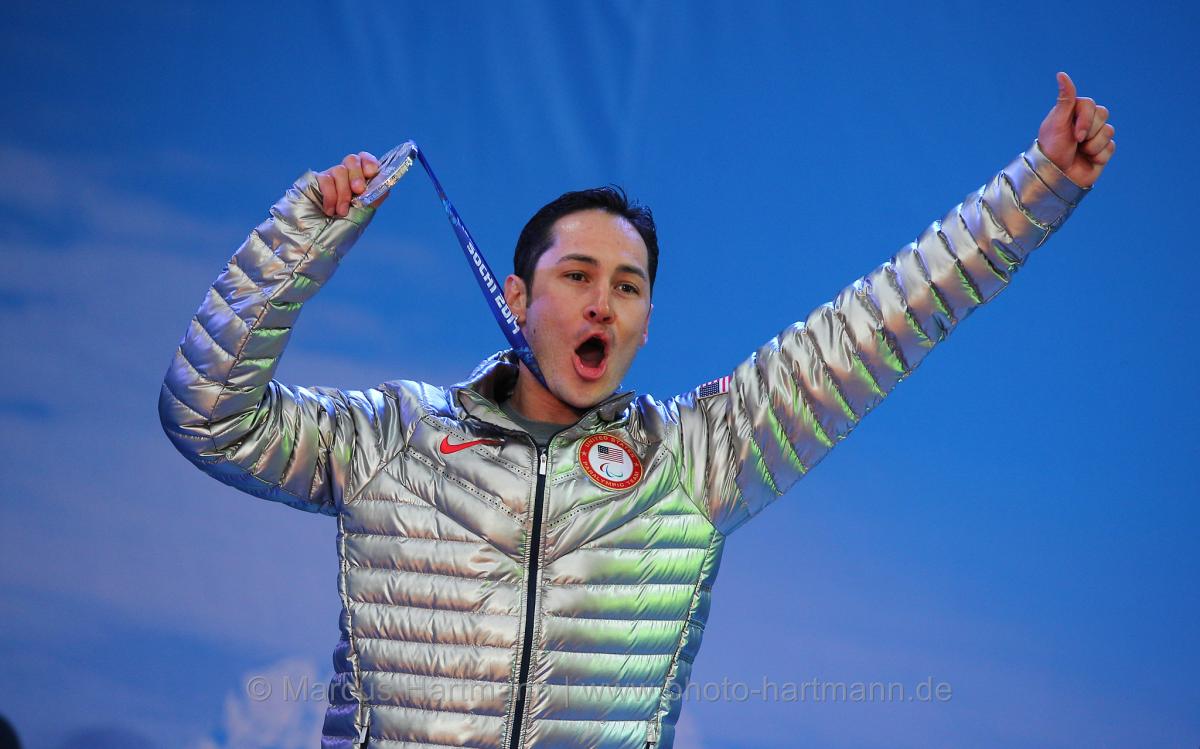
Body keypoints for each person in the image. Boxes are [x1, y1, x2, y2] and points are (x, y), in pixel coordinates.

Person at [159, 72, 1114, 749]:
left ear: (646, 322)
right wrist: (307, 232)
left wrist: (1037, 189)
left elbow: (879, 322)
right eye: (575, 275)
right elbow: (206, 411)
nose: (601, 301)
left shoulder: (693, 460)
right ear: (513, 296)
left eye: (628, 285)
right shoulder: (391, 440)